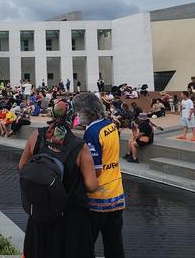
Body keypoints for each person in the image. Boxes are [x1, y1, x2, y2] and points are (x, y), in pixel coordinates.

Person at [18, 100, 98, 258]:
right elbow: (91, 185)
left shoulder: (36, 137)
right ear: (72, 118)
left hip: (41, 212)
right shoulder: (80, 147)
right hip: (69, 218)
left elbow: (22, 167)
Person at [73, 92, 126, 258]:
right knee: (114, 242)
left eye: (79, 112)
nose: (78, 116)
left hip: (98, 197)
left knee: (87, 241)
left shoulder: (92, 133)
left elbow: (95, 168)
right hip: (116, 192)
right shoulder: (110, 125)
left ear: (87, 112)